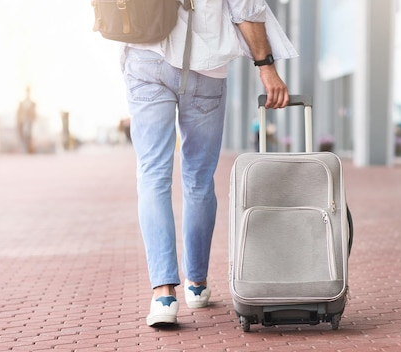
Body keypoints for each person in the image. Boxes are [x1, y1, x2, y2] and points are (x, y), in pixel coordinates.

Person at [120, 0, 297, 327]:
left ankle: (163, 294)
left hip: (145, 56)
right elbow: (246, 9)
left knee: (152, 177)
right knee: (198, 180)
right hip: (205, 66)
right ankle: (197, 284)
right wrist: (266, 66)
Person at [16, 86, 36, 154]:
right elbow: (19, 113)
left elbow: (34, 113)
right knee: (23, 135)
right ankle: (24, 149)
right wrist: (18, 121)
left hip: (29, 121)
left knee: (29, 135)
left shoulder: (32, 103)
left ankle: (29, 149)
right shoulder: (22, 102)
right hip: (23, 121)